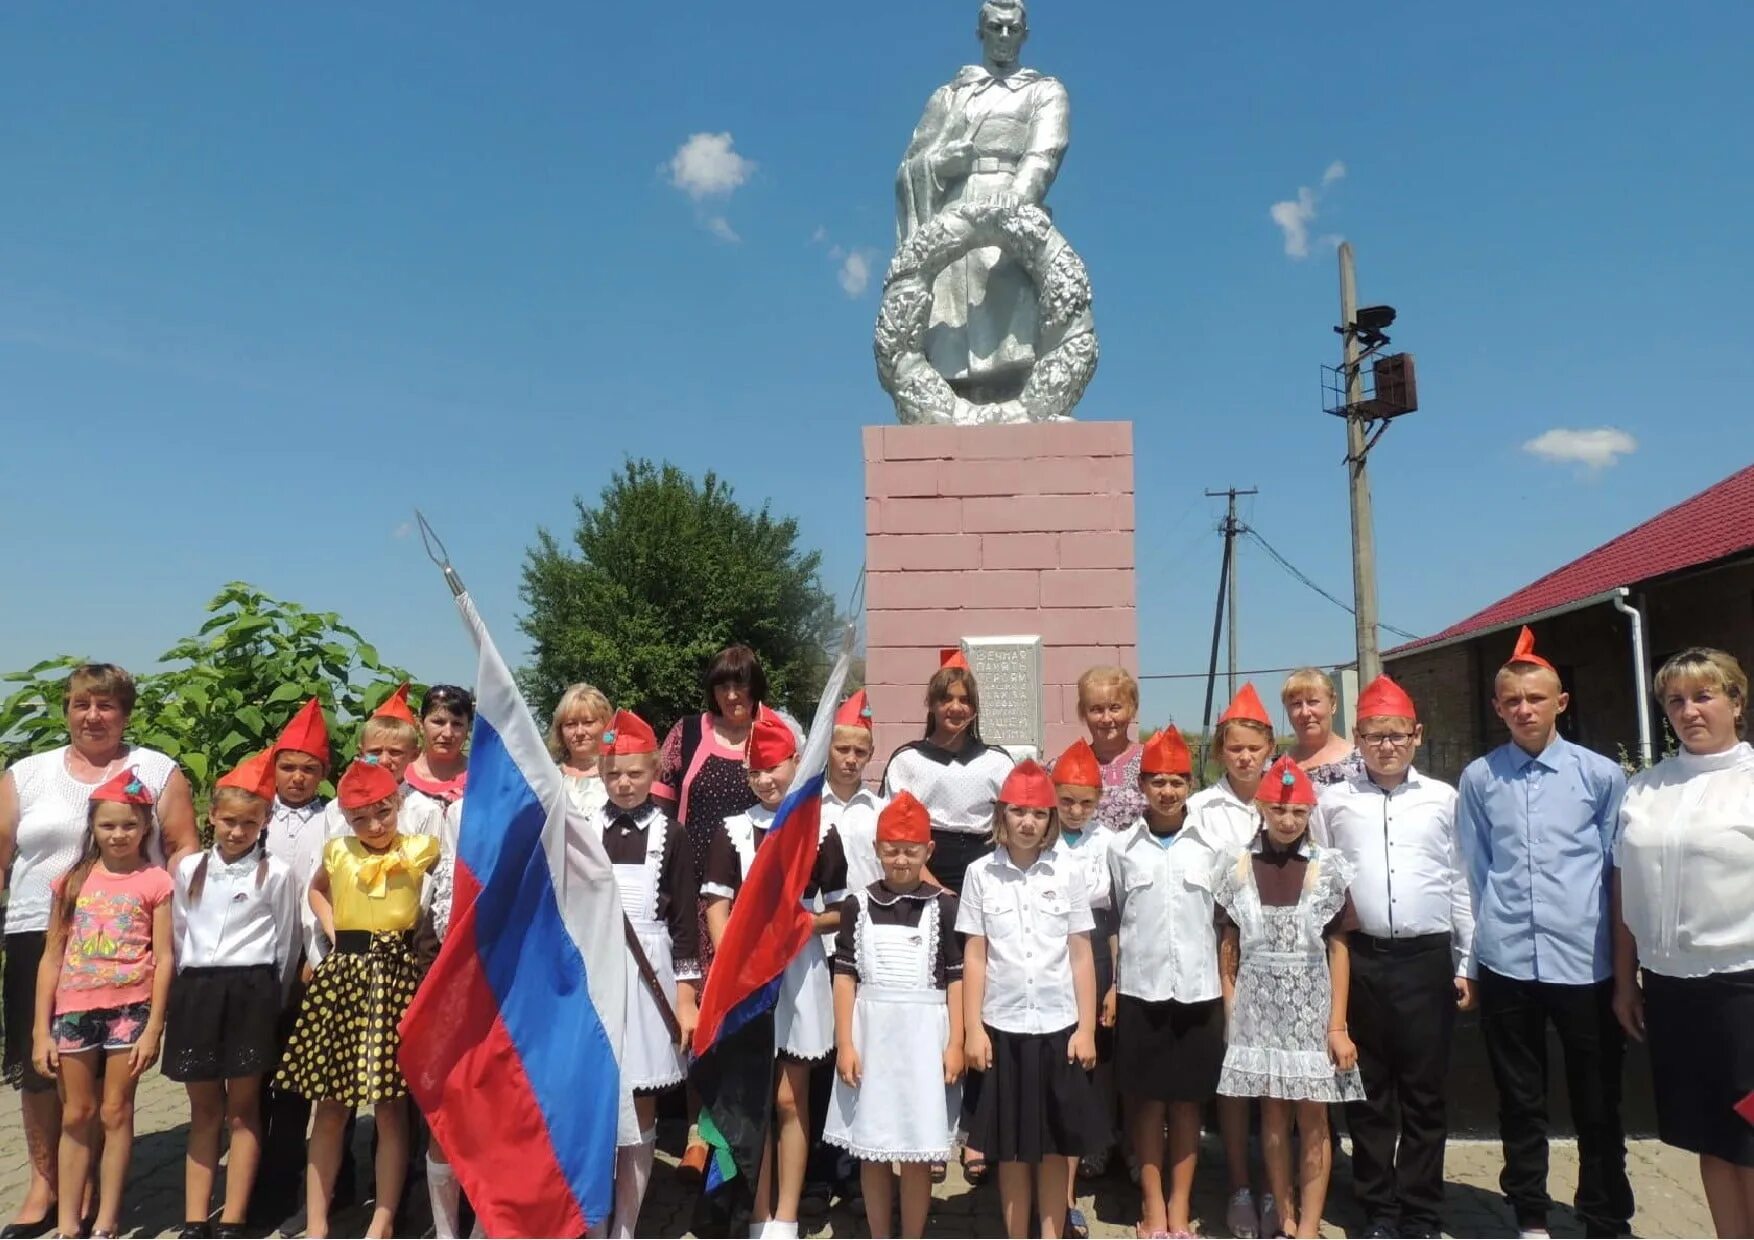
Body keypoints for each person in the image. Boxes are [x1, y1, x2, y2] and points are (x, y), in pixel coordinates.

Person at [0, 662, 197, 1237]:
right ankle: (46, 1180)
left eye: (107, 705)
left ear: (126, 713)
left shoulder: (155, 769)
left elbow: (183, 847)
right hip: (42, 928)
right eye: (82, 704)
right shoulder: (26, 774)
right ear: (66, 708)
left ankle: (89, 1189)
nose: (93, 716)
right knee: (40, 1068)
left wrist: (167, 908)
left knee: (105, 1086)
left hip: (127, 939)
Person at [1457, 626, 1634, 1240]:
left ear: (1561, 701)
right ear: (1498, 707)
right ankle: (1529, 1210)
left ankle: (1604, 1214)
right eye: (1512, 700)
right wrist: (1473, 962)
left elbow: (1618, 874)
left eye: (1536, 698)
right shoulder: (1480, 779)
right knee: (1519, 1096)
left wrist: (1624, 972)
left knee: (1597, 1099)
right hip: (1508, 959)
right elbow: (1473, 873)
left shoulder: (1602, 776)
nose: (1524, 709)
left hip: (1586, 963)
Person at [1311, 675, 1476, 1240]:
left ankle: (1422, 1213)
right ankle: (1378, 1208)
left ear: (1417, 736)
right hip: (1361, 961)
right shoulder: (1333, 803)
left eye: (1397, 734)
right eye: (1374, 735)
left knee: (1425, 1093)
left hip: (1427, 959)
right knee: (1368, 1091)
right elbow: (1323, 885)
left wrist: (1464, 961)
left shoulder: (1443, 799)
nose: (1386, 745)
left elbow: (1460, 880)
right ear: (1356, 738)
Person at [1612, 647, 1754, 1238]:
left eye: (1704, 696)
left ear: (1736, 702)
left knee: (1751, 1137)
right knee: (1709, 1138)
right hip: (1671, 991)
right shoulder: (1645, 789)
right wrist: (1626, 980)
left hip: (1743, 989)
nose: (1689, 711)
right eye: (1676, 700)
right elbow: (1624, 886)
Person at [273, 758, 441, 1240]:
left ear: (398, 804)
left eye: (383, 813)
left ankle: (383, 1218)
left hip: (397, 979)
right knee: (330, 1102)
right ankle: (319, 1221)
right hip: (344, 978)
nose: (373, 826)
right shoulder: (338, 851)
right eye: (360, 818)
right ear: (346, 818)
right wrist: (332, 931)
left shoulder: (420, 848)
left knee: (390, 1105)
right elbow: (316, 892)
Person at [700, 712, 847, 1240]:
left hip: (800, 974)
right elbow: (716, 901)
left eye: (776, 767)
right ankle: (757, 1210)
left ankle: (786, 1214)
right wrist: (733, 963)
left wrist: (807, 924)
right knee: (752, 1096)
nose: (767, 779)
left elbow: (841, 907)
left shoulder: (818, 827)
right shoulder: (732, 830)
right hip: (746, 983)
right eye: (756, 770)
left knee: (790, 1097)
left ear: (796, 764)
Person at [1214, 756, 1364, 1240]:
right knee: (1273, 1115)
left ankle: (1310, 1227)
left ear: (1309, 812)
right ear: (1261, 806)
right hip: (1258, 1012)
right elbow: (1229, 948)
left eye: (1297, 811)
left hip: (1312, 1010)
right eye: (1278, 809)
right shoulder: (1238, 868)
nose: (1287, 819)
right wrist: (1232, 1011)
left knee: (1313, 1117)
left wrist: (1336, 1025)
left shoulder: (1327, 869)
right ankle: (1283, 1216)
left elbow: (1339, 950)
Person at [894, 0, 1069, 403]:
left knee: (1011, 331)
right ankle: (954, 398)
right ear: (980, 33)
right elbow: (910, 165)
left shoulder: (1044, 91)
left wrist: (1012, 210)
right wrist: (942, 163)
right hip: (954, 213)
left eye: (1012, 28)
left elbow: (1044, 155)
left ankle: (1017, 398)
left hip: (1010, 209)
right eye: (995, 27)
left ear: (1025, 34)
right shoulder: (950, 96)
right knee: (954, 329)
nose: (1004, 36)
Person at [30, 768, 176, 1240]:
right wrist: (40, 1029)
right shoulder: (72, 881)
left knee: (117, 1112)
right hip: (73, 1009)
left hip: (130, 1008)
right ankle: (69, 1221)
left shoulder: (155, 881)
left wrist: (154, 1024)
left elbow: (165, 956)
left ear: (145, 829)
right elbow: (52, 956)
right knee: (76, 1113)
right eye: (108, 825)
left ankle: (108, 1218)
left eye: (129, 826)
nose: (119, 835)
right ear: (92, 828)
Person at [958, 760, 1097, 1240]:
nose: (1027, 823)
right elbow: (975, 955)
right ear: (1002, 815)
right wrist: (973, 1029)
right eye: (1017, 811)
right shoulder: (980, 874)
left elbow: (1081, 953)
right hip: (1004, 1027)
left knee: (1056, 1144)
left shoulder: (1069, 871)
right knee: (1011, 1147)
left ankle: (1052, 1232)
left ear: (1051, 820)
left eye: (1038, 814)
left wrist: (1086, 1029)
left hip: (1059, 1027)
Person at [166, 751, 299, 1240]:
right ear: (212, 818)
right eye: (228, 821)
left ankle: (234, 1216)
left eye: (249, 822)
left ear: (264, 822)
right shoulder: (189, 869)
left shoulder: (277, 873)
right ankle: (195, 1215)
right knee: (203, 1109)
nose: (237, 831)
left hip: (251, 990)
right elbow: (180, 933)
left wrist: (271, 995)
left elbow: (286, 942)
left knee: (243, 1109)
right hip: (199, 990)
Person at [824, 792, 965, 1239]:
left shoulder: (944, 907)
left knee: (919, 1150)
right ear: (877, 850)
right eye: (892, 849)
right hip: (872, 1038)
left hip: (926, 1040)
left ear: (928, 852)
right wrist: (845, 1042)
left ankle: (913, 1233)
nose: (901, 859)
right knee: (874, 1148)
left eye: (911, 850)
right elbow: (844, 977)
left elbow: (957, 979)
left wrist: (956, 1042)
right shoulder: (856, 906)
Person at [656, 644, 769, 1177]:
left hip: (755, 894)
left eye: (740, 685)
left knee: (746, 1013)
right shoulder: (688, 734)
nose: (731, 695)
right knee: (699, 1009)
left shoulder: (773, 733)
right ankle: (698, 1130)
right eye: (723, 685)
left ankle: (744, 1128)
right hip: (695, 889)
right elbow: (659, 806)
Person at [1107, 726, 1223, 1240]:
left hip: (1199, 993)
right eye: (1158, 781)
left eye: (1178, 781)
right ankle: (1152, 1207)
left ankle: (1181, 1207)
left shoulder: (1211, 847)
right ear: (1142, 786)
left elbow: (1224, 924)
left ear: (1191, 784)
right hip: (1141, 991)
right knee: (1148, 1104)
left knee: (1188, 1104)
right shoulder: (1122, 847)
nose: (1168, 791)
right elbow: (1115, 918)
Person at [593, 709, 701, 1239]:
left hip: (648, 975)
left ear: (654, 768)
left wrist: (686, 997)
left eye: (635, 772)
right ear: (599, 772)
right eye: (614, 773)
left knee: (640, 1093)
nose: (625, 783)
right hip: (595, 977)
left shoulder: (672, 835)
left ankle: (627, 1222)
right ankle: (593, 1215)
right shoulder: (583, 829)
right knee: (595, 1092)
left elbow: (684, 922)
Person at [1185, 682, 1275, 1236]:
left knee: (1278, 1080)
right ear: (1220, 751)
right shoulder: (1199, 809)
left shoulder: (1291, 797)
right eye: (1235, 748)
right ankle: (1240, 1184)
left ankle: (1275, 1184)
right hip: (1224, 951)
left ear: (1270, 749)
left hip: (1287, 957)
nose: (1245, 757)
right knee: (1236, 1077)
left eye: (1254, 748)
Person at [1046, 738, 1117, 1230]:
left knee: (1091, 1059)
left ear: (1098, 801)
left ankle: (1088, 1152)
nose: (1074, 811)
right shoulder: (1038, 836)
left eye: (1085, 802)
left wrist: (1113, 984)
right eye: (1066, 800)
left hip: (1092, 950)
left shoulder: (1109, 842)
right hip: (1046, 954)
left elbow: (1115, 918)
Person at [880, 650, 1016, 896]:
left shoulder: (998, 762)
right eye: (946, 699)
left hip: (988, 869)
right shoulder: (906, 760)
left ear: (974, 708)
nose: (956, 707)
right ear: (931, 704)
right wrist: (933, 886)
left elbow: (1014, 827)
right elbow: (894, 832)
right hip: (924, 867)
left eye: (965, 700)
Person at [1074, 666, 1148, 833]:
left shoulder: (1151, 761)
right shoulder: (1069, 764)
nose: (1106, 719)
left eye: (1115, 708)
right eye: (1096, 710)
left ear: (1132, 710)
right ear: (1083, 713)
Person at [402, 685, 473, 832]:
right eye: (438, 722)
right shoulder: (399, 775)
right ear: (420, 724)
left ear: (468, 730)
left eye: (457, 724)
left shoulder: (480, 779)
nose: (447, 733)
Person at [1282, 668, 1363, 788]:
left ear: (1333, 703)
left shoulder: (1361, 765)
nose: (1305, 712)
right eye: (1296, 704)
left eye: (1312, 702)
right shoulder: (1277, 768)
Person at [549, 682, 614, 818]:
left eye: (588, 722)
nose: (579, 732)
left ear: (606, 724)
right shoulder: (549, 778)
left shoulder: (620, 775)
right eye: (571, 724)